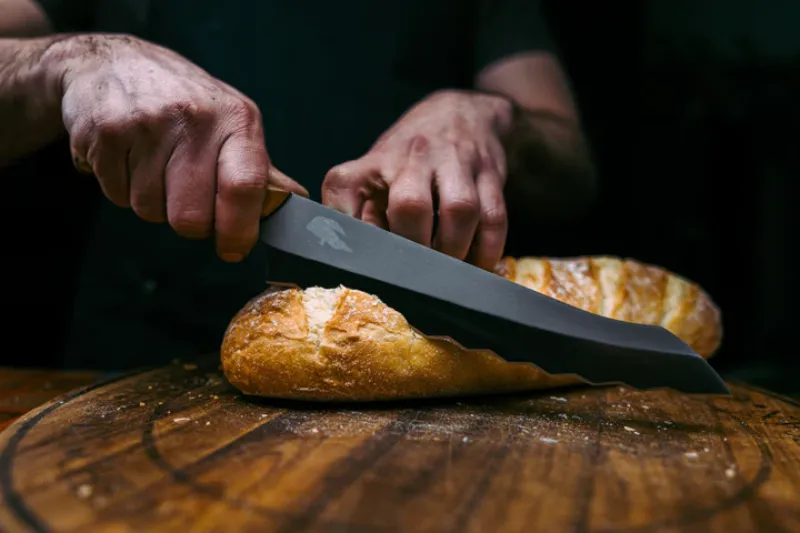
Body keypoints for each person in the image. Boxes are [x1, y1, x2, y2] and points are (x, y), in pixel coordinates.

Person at [0, 0, 596, 370]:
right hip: (127, 367)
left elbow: (571, 167)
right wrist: (74, 60)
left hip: (416, 360)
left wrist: (488, 115)